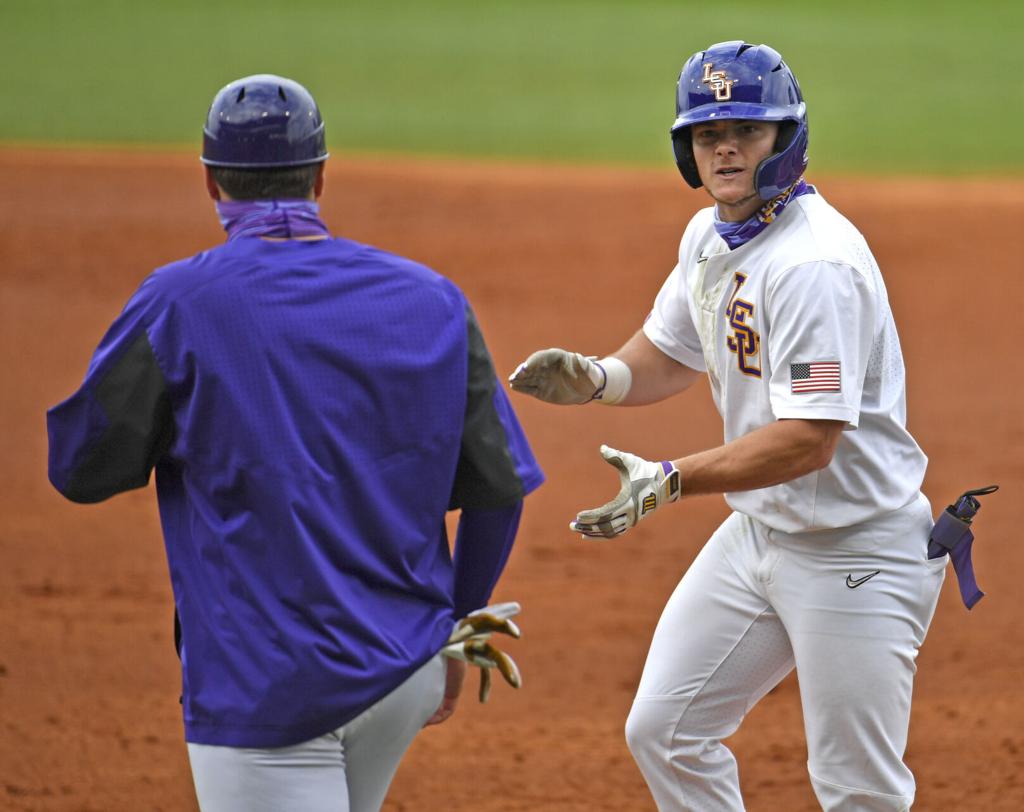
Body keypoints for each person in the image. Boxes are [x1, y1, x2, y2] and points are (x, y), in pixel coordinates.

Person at [47, 74, 543, 812]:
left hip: (266, 687)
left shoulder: (178, 302)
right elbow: (498, 490)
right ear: (320, 175)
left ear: (213, 182)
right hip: (406, 665)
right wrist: (457, 629)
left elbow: (81, 470)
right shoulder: (431, 297)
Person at [510, 41, 944, 811]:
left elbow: (811, 439)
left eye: (746, 128)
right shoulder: (710, 237)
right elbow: (675, 350)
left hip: (857, 550)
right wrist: (598, 379)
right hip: (759, 538)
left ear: (787, 137)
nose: (727, 148)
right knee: (666, 731)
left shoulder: (814, 265)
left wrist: (674, 480)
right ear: (688, 149)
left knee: (858, 792)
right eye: (709, 135)